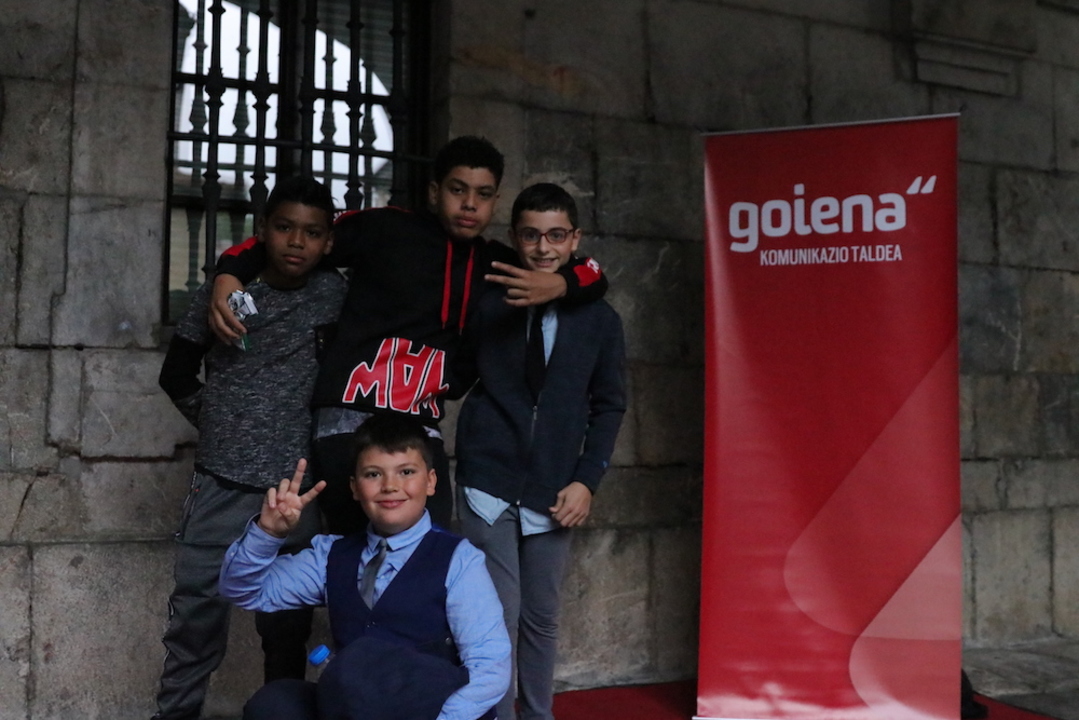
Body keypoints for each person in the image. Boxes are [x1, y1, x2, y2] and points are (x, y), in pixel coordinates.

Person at [204, 136, 607, 536]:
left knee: (430, 546)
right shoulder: (384, 227)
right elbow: (303, 238)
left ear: (495, 201)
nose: (469, 204)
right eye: (457, 190)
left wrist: (562, 284)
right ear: (434, 192)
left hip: (419, 425)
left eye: (483, 194)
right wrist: (230, 272)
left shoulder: (495, 263)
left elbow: (593, 273)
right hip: (349, 416)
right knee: (352, 546)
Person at [153, 176, 346, 720]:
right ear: (263, 229)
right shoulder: (227, 294)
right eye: (284, 227)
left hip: (293, 492)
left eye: (312, 232)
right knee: (196, 620)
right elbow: (175, 373)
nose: (296, 242)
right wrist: (223, 423)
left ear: (328, 241)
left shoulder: (334, 294)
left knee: (287, 627)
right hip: (220, 486)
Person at [454, 183, 627, 720]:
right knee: (497, 617)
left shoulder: (600, 320)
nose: (543, 248)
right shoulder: (488, 302)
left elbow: (609, 406)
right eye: (531, 235)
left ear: (574, 239)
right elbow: (457, 372)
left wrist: (586, 479)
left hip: (556, 488)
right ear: (514, 237)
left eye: (555, 236)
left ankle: (537, 714)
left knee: (542, 616)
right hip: (487, 479)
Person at [219, 413, 511, 720]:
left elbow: (490, 667)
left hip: (429, 710)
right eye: (373, 474)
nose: (390, 486)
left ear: (430, 482)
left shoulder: (458, 560)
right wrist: (268, 534)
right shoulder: (331, 555)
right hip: (356, 706)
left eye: (406, 472)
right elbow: (242, 590)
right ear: (355, 488)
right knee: (274, 705)